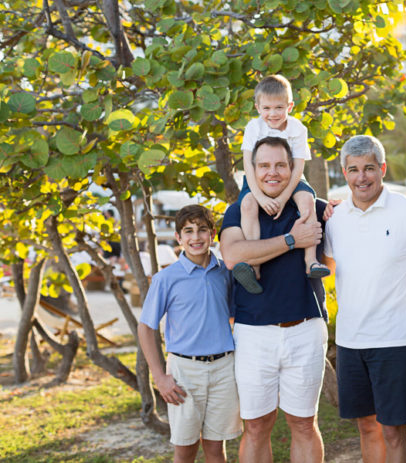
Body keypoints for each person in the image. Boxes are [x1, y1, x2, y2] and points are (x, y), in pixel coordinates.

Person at [323, 135, 406, 463]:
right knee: (366, 427)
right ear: (344, 173)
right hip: (350, 341)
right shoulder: (336, 219)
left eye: (369, 168)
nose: (362, 177)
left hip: (395, 340)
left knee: (393, 430)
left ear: (383, 169)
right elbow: (326, 269)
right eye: (354, 169)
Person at [219, 136, 328, 463]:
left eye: (280, 165)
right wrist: (293, 239)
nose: (273, 172)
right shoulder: (240, 210)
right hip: (254, 333)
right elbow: (233, 255)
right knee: (255, 425)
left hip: (304, 329)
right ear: (252, 171)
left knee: (304, 423)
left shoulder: (314, 207)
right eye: (264, 165)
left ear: (293, 168)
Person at [137, 205, 241, 463]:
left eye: (202, 230)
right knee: (185, 449)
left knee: (216, 448)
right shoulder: (166, 278)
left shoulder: (225, 272)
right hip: (185, 371)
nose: (196, 237)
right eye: (189, 231)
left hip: (224, 368)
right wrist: (160, 377)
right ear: (178, 237)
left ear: (213, 234)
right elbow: (146, 327)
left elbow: (230, 313)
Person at [235, 74, 329, 294]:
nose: (273, 114)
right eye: (266, 108)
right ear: (257, 107)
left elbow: (298, 168)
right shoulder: (253, 127)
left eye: (279, 108)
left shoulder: (297, 129)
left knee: (307, 200)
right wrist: (259, 197)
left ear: (290, 106)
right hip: (257, 181)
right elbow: (248, 165)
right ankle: (253, 266)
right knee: (247, 205)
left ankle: (310, 261)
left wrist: (283, 197)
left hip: (292, 179)